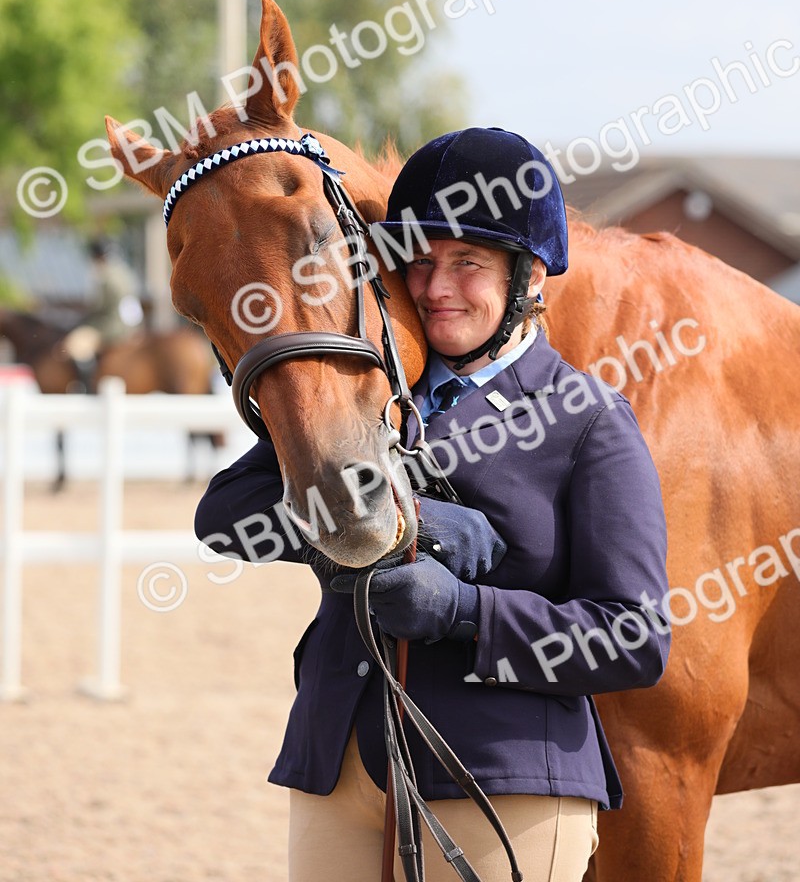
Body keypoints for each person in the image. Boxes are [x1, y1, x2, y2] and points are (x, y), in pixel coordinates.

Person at [194, 127, 671, 882]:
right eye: (420, 263)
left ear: (529, 275)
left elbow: (634, 639)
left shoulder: (588, 421)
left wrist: (465, 613)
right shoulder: (374, 387)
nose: (436, 287)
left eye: (468, 264)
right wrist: (396, 522)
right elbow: (224, 516)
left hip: (501, 775)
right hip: (339, 763)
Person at [62, 238, 142, 387]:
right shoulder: (125, 273)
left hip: (111, 326)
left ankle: (85, 385)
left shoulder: (104, 276)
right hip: (132, 326)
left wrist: (82, 320)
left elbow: (98, 307)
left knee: (74, 345)